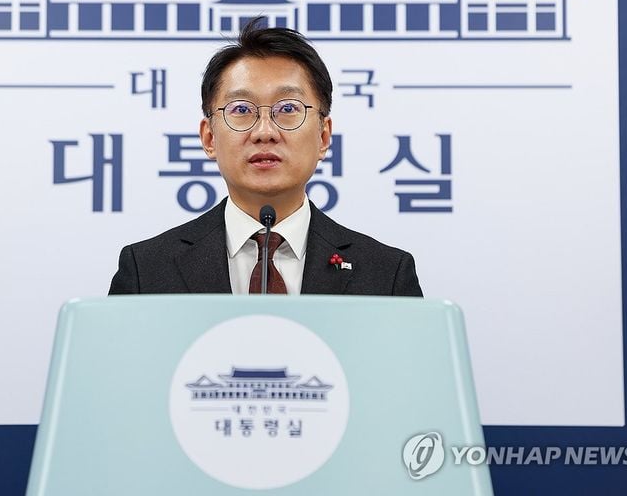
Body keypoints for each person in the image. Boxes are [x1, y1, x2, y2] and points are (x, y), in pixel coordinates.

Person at [109, 18, 422, 296]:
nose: (264, 132)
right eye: (241, 109)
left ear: (323, 136)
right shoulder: (146, 271)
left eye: (288, 108)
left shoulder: (386, 275)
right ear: (209, 138)